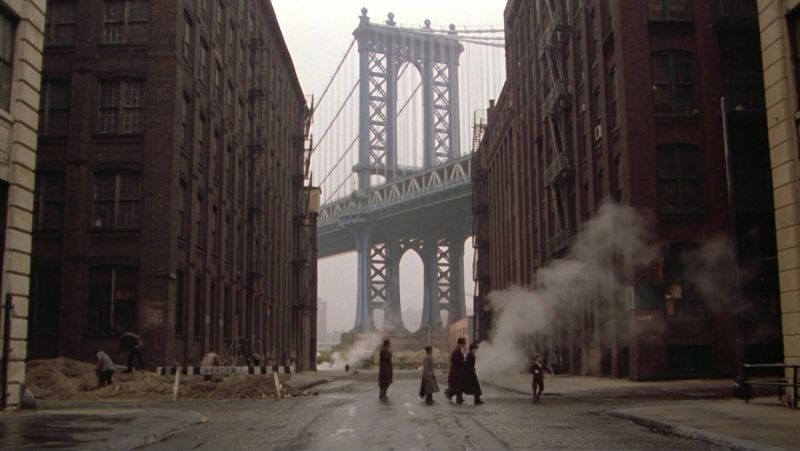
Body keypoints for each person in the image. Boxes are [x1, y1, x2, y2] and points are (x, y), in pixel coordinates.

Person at [445, 337, 465, 403]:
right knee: (457, 386)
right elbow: (458, 361)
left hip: (455, 371)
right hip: (456, 372)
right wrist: (463, 362)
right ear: (461, 344)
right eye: (463, 344)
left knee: (457, 386)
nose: (464, 345)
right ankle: (453, 396)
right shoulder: (457, 351)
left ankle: (458, 398)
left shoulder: (457, 350)